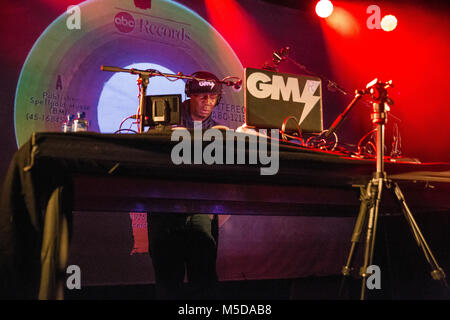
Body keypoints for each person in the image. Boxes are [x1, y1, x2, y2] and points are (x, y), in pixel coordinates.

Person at [147, 71, 222, 299]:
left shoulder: (218, 130)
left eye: (213, 97)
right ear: (189, 95)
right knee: (168, 282)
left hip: (200, 209)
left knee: (204, 280)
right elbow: (146, 150)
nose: (207, 102)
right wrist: (163, 133)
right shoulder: (166, 119)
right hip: (165, 209)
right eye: (201, 96)